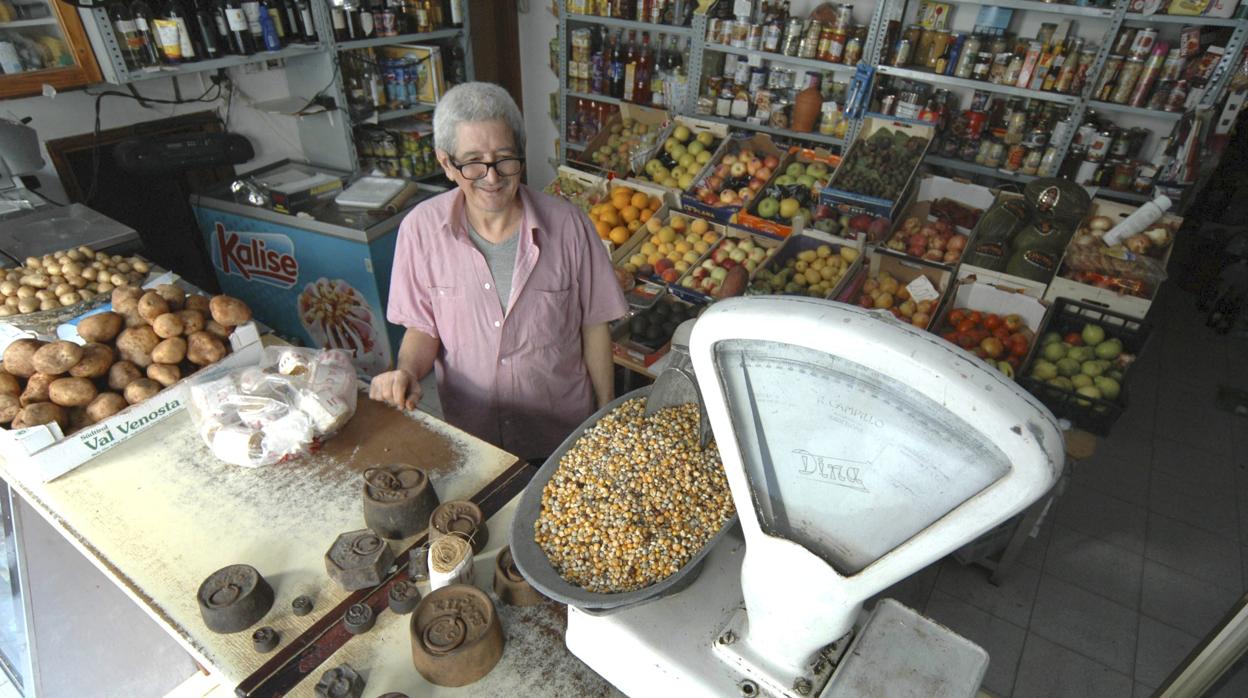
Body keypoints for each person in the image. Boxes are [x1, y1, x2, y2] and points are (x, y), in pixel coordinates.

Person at [370, 82, 628, 462]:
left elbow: (595, 325)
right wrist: (406, 372)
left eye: (505, 159)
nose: (491, 178)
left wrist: (605, 418)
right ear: (446, 164)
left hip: (561, 437)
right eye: (473, 162)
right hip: (473, 438)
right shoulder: (420, 230)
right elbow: (422, 326)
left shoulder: (569, 225)